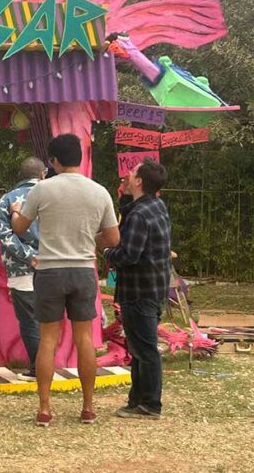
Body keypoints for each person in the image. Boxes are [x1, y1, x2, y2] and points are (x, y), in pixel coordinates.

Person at [11, 134, 120, 426]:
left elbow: (20, 228)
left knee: (48, 339)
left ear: (54, 161)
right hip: (84, 270)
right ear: (80, 158)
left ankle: (45, 409)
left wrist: (15, 213)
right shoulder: (99, 192)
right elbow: (113, 237)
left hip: (49, 270)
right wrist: (88, 239)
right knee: (85, 338)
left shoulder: (42, 190)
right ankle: (87, 407)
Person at [102, 158, 171, 420]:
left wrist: (108, 251)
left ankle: (151, 404)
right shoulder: (155, 206)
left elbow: (129, 253)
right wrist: (123, 200)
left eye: (131, 173)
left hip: (140, 291)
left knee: (145, 349)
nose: (127, 175)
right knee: (140, 347)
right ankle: (137, 400)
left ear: (140, 180)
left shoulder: (141, 214)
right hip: (152, 288)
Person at [0, 157, 44, 381]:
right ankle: (49, 364)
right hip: (55, 265)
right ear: (42, 173)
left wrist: (30, 257)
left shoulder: (7, 199)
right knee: (48, 320)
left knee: (28, 320)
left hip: (20, 270)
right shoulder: (52, 194)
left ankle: (37, 368)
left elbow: (6, 237)